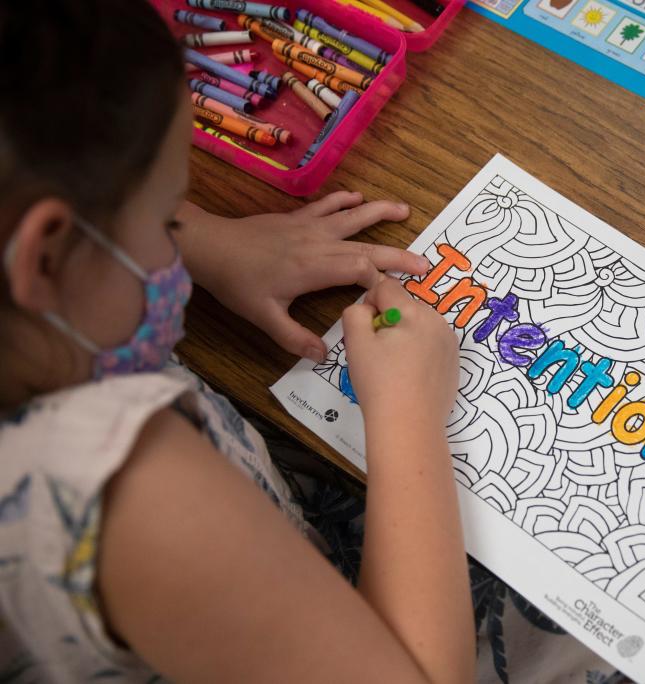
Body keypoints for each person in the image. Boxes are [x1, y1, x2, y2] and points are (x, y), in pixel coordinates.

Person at [0, 1, 472, 681]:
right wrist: (406, 413)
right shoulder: (130, 494)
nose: (176, 244)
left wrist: (211, 245)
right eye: (168, 221)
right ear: (43, 259)